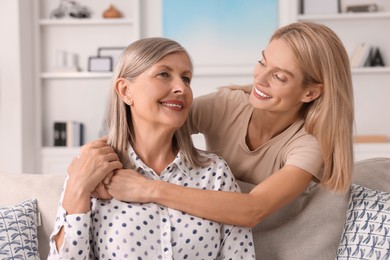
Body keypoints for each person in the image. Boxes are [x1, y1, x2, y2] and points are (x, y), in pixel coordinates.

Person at [91, 21, 355, 259]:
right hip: (224, 234)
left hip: (281, 236)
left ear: (310, 92)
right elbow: (149, 122)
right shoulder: (227, 106)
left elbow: (252, 209)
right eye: (262, 62)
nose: (259, 80)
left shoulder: (309, 143)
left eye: (279, 76)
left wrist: (149, 189)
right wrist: (88, 162)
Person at [48, 37, 255, 259]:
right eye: (164, 74)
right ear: (125, 90)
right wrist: (78, 187)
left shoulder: (214, 173)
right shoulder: (92, 170)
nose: (181, 88)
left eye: (186, 79)